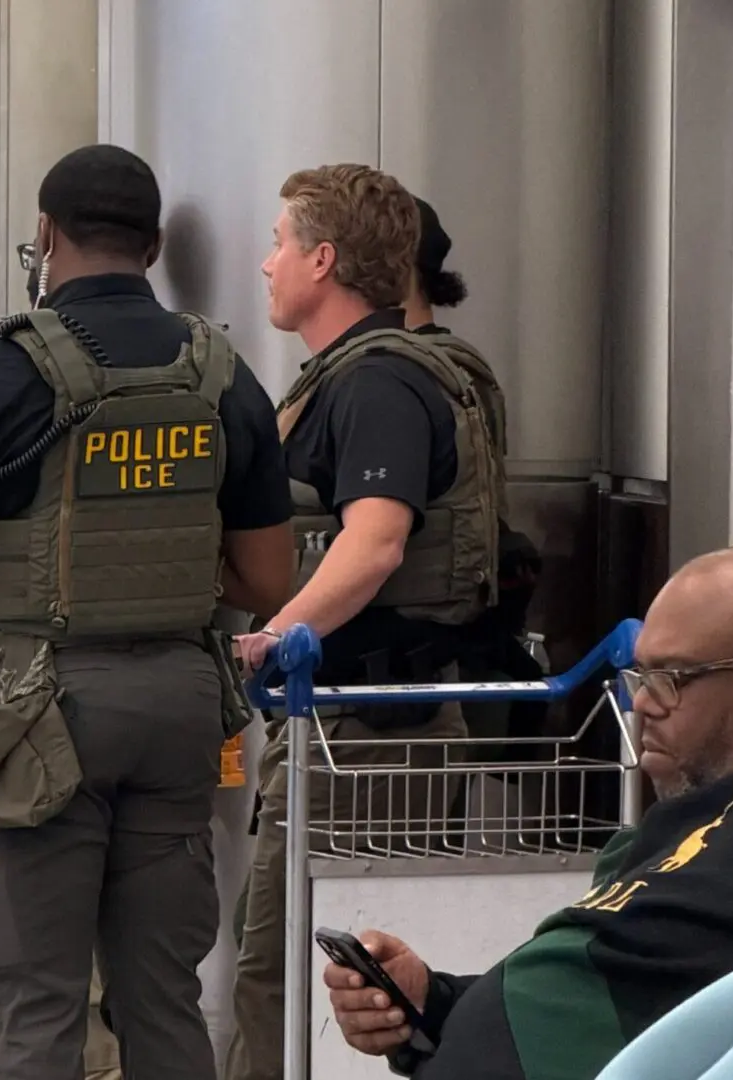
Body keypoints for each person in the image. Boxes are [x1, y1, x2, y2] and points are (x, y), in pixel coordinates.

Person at [0, 143, 295, 1080]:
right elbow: (266, 576)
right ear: (157, 242)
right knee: (164, 997)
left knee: (36, 1005)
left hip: (30, 716)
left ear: (44, 236)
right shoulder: (222, 375)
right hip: (179, 704)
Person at [325, 545, 733, 1080]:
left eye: (673, 678)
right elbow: (610, 993)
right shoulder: (686, 828)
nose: (644, 702)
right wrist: (432, 1002)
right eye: (641, 677)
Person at [226, 165, 516, 1080]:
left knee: (289, 980)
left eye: (279, 241)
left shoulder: (379, 384)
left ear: (323, 258)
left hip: (372, 736)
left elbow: (377, 541)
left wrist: (273, 635)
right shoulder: (374, 372)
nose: (264, 261)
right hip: (372, 726)